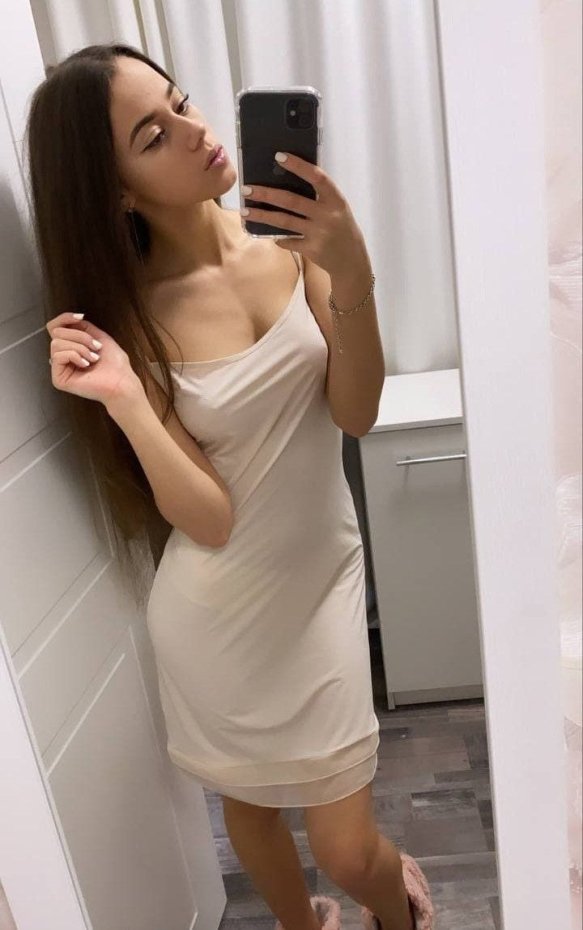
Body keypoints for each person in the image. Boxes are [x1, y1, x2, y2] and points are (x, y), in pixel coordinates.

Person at [30, 41, 433, 930]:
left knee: (346, 850)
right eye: (152, 136)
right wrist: (127, 400)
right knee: (250, 813)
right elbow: (207, 519)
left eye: (180, 103)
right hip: (215, 618)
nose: (196, 132)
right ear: (114, 190)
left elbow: (356, 411)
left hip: (323, 583)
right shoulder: (128, 317)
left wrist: (352, 270)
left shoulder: (295, 246)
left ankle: (396, 913)